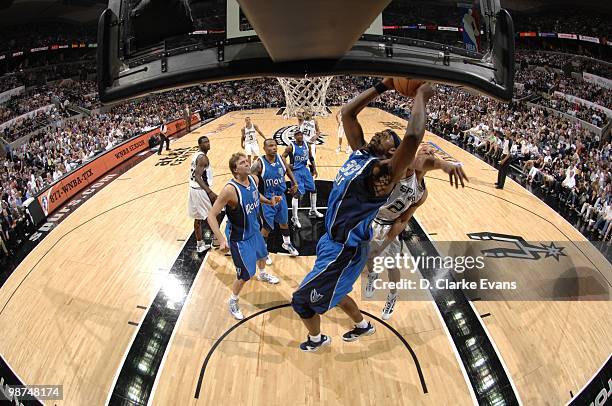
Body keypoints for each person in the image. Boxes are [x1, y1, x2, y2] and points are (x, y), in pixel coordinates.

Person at [291, 78, 435, 352]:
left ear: (393, 153)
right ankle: (361, 325)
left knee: (301, 300)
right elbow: (347, 112)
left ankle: (316, 339)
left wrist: (420, 96)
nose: (381, 133)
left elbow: (413, 138)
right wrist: (384, 85)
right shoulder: (361, 155)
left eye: (388, 137)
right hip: (331, 240)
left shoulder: (382, 175)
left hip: (344, 250)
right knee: (336, 290)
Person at [365, 144, 468, 320]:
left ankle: (392, 296)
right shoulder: (406, 171)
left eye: (430, 152)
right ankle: (373, 275)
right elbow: (417, 162)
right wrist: (441, 164)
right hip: (372, 219)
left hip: (391, 225)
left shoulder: (422, 193)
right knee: (369, 257)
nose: (427, 154)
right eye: (424, 151)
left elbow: (403, 219)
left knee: (392, 266)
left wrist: (384, 245)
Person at [206, 152, 283, 320]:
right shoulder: (230, 190)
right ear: (235, 169)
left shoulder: (254, 181)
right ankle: (233, 301)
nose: (248, 163)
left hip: (255, 232)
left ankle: (263, 274)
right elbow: (211, 216)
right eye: (242, 163)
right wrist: (220, 239)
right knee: (245, 275)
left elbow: (256, 196)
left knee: (263, 255)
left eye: (247, 161)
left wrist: (269, 201)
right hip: (240, 240)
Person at [251, 139, 300, 260]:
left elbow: (288, 170)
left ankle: (287, 243)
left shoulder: (281, 159)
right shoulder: (259, 163)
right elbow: (250, 181)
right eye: (270, 146)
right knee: (267, 227)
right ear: (264, 148)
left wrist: (295, 183)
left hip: (281, 197)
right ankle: (263, 251)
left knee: (284, 222)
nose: (274, 148)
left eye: (275, 145)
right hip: (267, 199)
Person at [282, 130, 323, 228]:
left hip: (305, 170)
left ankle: (313, 210)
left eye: (301, 134)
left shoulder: (306, 145)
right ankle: (294, 218)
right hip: (296, 171)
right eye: (297, 135)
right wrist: (287, 166)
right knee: (297, 194)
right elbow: (283, 156)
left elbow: (311, 157)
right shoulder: (290, 147)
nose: (300, 136)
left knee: (313, 189)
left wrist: (314, 168)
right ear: (294, 137)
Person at [188, 136, 216, 253]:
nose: (207, 143)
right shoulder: (203, 158)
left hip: (193, 189)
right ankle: (217, 241)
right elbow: (198, 177)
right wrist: (209, 192)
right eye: (204, 142)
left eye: (208, 141)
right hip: (200, 190)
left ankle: (200, 245)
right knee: (214, 215)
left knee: (198, 218)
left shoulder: (196, 155)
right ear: (199, 145)